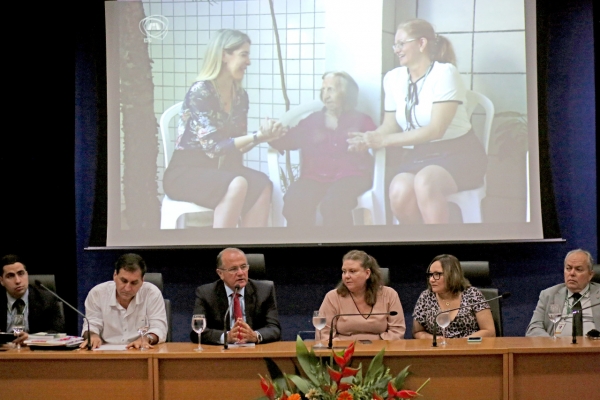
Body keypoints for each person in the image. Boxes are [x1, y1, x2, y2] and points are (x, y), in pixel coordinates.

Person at [348, 19, 487, 224]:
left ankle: (439, 251)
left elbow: (435, 130)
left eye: (402, 43)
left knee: (425, 183)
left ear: (422, 43)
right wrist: (371, 138)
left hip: (459, 154)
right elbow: (390, 125)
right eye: (395, 45)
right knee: (398, 190)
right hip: (420, 155)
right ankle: (417, 244)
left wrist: (384, 141)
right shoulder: (393, 78)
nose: (397, 49)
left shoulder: (445, 73)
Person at [163, 29, 283, 228]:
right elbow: (214, 147)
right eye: (244, 54)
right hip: (186, 172)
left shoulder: (240, 96)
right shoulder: (201, 91)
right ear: (223, 55)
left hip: (224, 169)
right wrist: (256, 136)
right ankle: (223, 251)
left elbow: (237, 145)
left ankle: (247, 249)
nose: (249, 62)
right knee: (237, 183)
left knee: (262, 184)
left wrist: (263, 136)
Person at [269, 71, 376, 227]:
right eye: (323, 90)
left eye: (331, 89)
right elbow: (287, 140)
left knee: (334, 204)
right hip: (314, 177)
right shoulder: (312, 121)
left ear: (347, 93)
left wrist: (366, 143)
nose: (326, 96)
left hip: (351, 176)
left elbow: (377, 141)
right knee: (295, 201)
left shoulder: (362, 121)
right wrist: (269, 134)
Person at [191, 248, 281, 345]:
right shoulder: (206, 293)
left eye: (243, 267)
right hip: (221, 354)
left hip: (255, 352)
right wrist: (226, 337)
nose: (241, 273)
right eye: (233, 269)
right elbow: (197, 332)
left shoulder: (264, 290)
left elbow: (274, 328)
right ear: (220, 273)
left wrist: (255, 336)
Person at [81, 253, 167, 349]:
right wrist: (92, 336)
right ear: (115, 275)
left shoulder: (151, 293)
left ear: (142, 280)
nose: (127, 288)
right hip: (106, 353)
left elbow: (159, 328)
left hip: (140, 351)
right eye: (124, 281)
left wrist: (146, 338)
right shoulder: (97, 293)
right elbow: (92, 324)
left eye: (134, 283)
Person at [319, 250, 405, 341]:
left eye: (352, 271)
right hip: (343, 352)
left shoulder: (389, 295)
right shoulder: (333, 297)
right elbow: (324, 335)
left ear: (367, 273)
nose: (346, 276)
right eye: (344, 271)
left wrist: (373, 345)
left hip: (381, 351)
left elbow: (397, 333)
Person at [412, 254, 495, 339]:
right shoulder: (426, 297)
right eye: (430, 275)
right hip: (438, 350)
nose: (431, 279)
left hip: (469, 348)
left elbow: (489, 331)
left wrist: (462, 343)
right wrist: (434, 338)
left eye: (437, 274)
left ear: (452, 275)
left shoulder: (472, 294)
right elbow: (417, 332)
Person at [526, 249, 600, 337]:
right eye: (568, 268)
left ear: (590, 275)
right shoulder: (549, 295)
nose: (571, 273)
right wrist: (551, 344)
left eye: (578, 269)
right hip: (557, 348)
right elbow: (533, 328)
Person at [0, 254, 65, 346]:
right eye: (10, 276)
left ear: (27, 274)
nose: (18, 281)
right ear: (1, 281)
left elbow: (57, 331)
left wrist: (32, 338)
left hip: (35, 352)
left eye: (21, 273)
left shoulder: (46, 299)